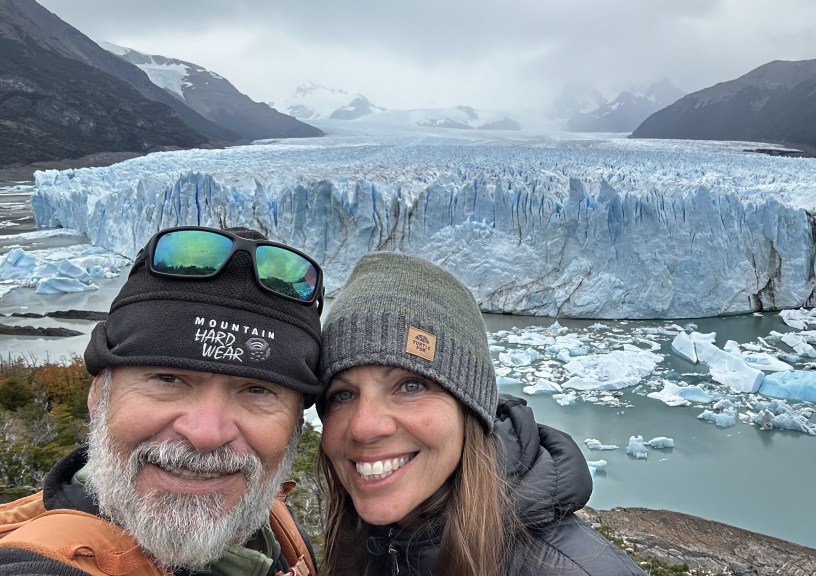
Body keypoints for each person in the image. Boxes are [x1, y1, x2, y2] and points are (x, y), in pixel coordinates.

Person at [0, 226, 325, 576]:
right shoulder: (35, 563)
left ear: (296, 424)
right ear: (99, 396)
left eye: (257, 390)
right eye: (168, 379)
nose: (206, 434)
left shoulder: (276, 532)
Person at [316, 251, 644, 576]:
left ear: (470, 411)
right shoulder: (371, 543)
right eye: (343, 394)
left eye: (411, 386)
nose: (363, 426)